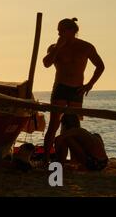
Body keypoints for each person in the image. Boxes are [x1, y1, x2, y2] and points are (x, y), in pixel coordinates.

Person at [42, 18, 105, 163]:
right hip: (61, 88)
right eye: (58, 30)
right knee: (54, 124)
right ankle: (45, 158)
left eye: (62, 30)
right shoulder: (55, 47)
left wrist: (90, 84)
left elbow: (100, 66)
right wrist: (58, 47)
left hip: (77, 89)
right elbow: (46, 63)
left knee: (73, 125)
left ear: (72, 31)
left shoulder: (86, 46)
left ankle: (74, 158)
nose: (59, 33)